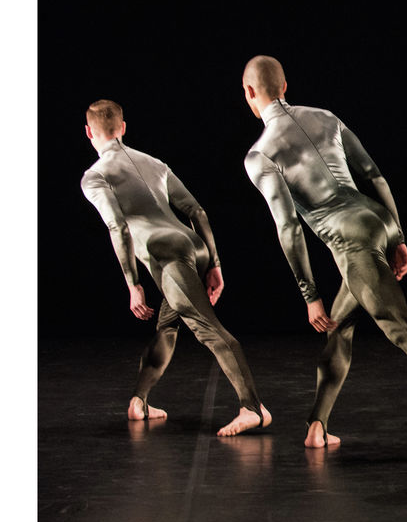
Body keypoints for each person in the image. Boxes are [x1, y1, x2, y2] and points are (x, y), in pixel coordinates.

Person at [241, 55, 407, 456]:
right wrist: (397, 235)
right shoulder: (325, 117)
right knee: (340, 325)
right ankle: (317, 426)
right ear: (285, 87)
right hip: (377, 219)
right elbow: (374, 175)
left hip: (352, 242)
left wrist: (310, 295)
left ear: (249, 93)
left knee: (403, 331)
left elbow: (289, 227)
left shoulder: (260, 155)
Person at [81, 99, 270, 436]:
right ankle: (139, 402)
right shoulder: (154, 163)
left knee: (209, 329)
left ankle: (253, 408)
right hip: (193, 246)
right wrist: (214, 263)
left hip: (169, 258)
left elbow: (118, 227)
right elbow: (197, 211)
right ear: (122, 128)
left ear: (88, 132)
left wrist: (133, 285)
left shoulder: (95, 177)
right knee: (167, 325)